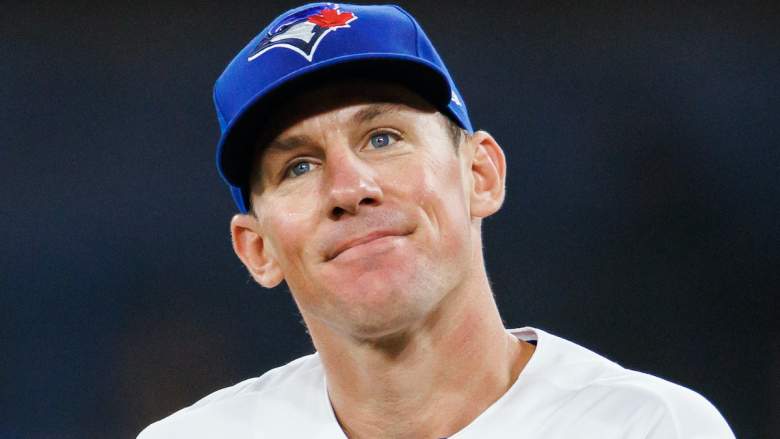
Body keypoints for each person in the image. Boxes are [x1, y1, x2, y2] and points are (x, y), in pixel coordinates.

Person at [138, 3, 734, 438]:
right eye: (298, 167)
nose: (350, 188)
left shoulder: (649, 427)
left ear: (480, 174)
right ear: (256, 248)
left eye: (382, 137)